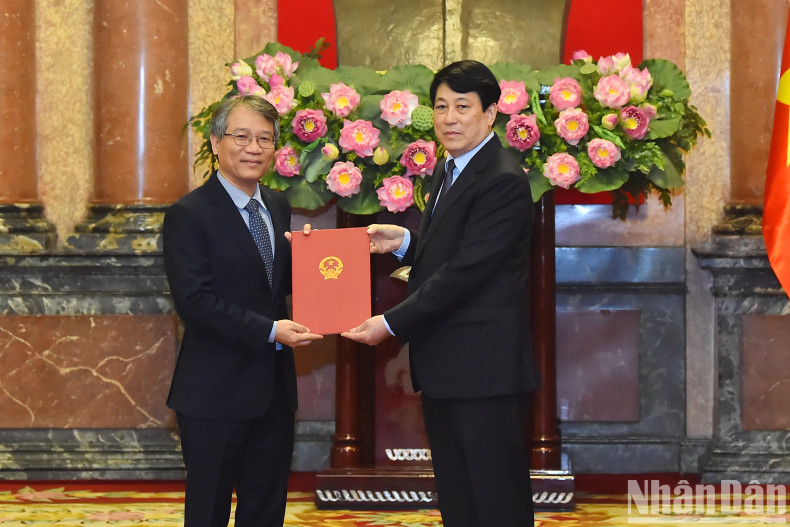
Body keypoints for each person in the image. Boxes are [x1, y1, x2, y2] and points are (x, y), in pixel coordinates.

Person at [342, 60, 539, 527]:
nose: (449, 118)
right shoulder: (452, 167)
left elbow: (467, 272)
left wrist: (390, 324)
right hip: (452, 364)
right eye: (441, 106)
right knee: (459, 494)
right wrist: (406, 242)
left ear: (491, 113)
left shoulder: (502, 180)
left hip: (483, 368)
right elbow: (458, 248)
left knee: (494, 498)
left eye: (463, 107)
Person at [162, 94, 323, 527]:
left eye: (265, 139)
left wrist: (316, 260)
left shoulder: (276, 205)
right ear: (216, 142)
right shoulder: (188, 214)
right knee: (208, 511)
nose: (254, 148)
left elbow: (271, 284)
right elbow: (195, 302)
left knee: (266, 511)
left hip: (273, 392)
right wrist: (271, 331)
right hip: (214, 392)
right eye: (242, 136)